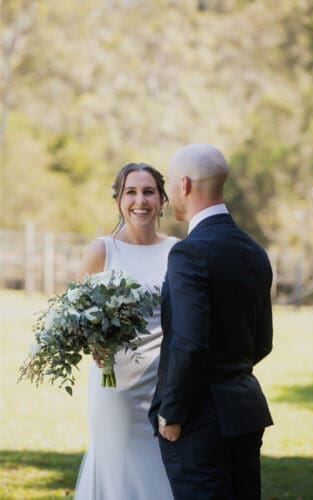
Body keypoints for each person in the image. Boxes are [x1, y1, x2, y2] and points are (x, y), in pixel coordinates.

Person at [149, 144, 273, 499]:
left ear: (184, 185)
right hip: (245, 412)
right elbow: (262, 341)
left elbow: (189, 343)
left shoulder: (189, 252)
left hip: (197, 422)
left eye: (170, 183)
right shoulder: (254, 250)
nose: (169, 193)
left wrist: (171, 412)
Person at [74, 162, 177, 500]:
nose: (140, 200)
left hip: (164, 385)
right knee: (116, 467)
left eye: (149, 192)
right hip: (114, 384)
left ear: (162, 200)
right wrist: (95, 344)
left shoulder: (177, 251)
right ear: (118, 199)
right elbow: (76, 317)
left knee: (160, 469)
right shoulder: (103, 251)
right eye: (131, 192)